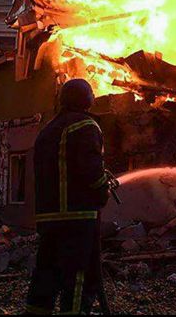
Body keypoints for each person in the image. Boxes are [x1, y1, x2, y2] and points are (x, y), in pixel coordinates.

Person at [25, 79, 109, 315]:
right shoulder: (86, 126)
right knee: (79, 277)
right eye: (91, 93)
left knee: (46, 275)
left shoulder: (47, 131)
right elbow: (92, 170)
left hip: (48, 219)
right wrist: (103, 190)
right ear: (84, 99)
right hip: (78, 217)